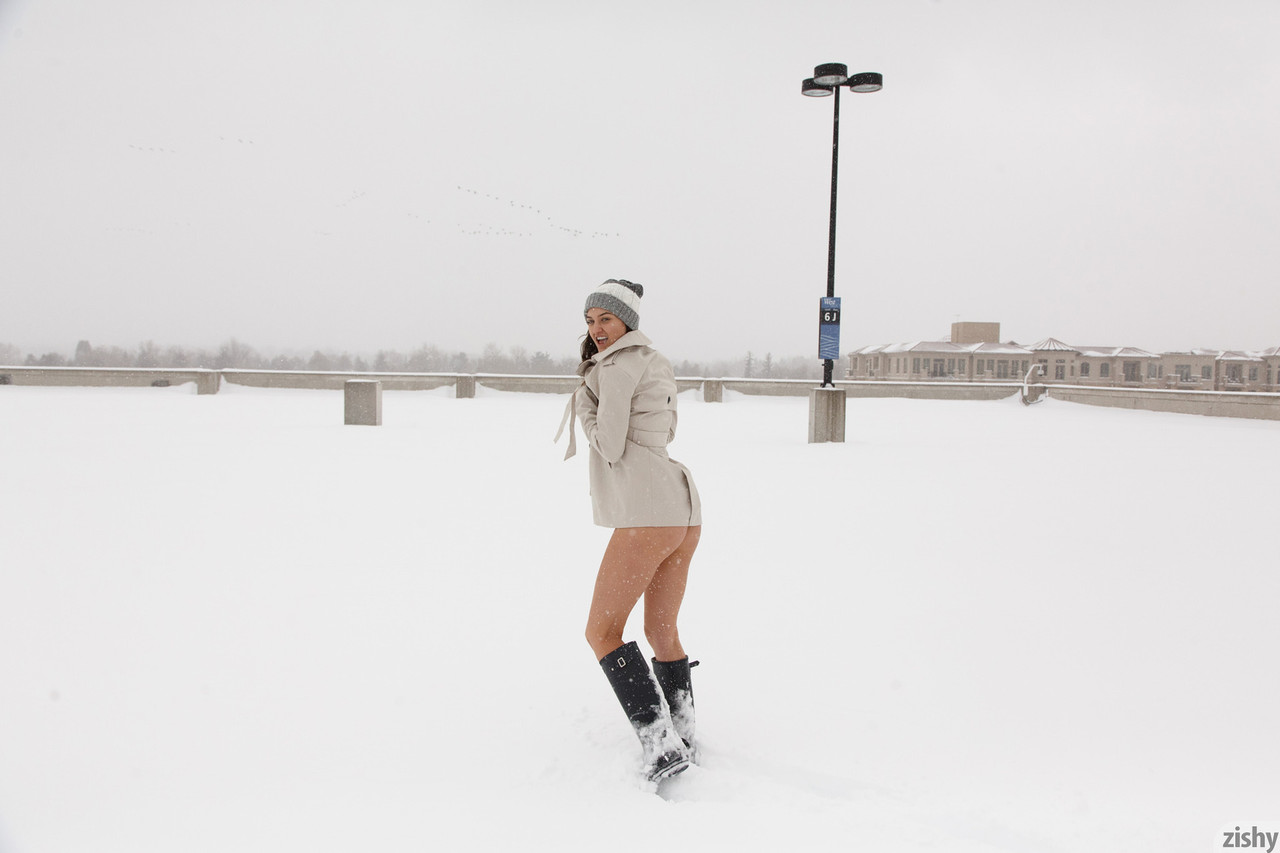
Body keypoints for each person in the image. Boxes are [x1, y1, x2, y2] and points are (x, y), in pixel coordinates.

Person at [555, 278, 703, 783]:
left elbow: (613, 445)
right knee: (661, 629)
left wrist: (585, 409)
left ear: (627, 322)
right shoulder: (654, 361)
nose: (597, 330)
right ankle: (683, 732)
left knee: (601, 631)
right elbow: (662, 431)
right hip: (682, 507)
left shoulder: (616, 366)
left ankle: (662, 747)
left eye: (606, 319)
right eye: (590, 320)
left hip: (646, 513)